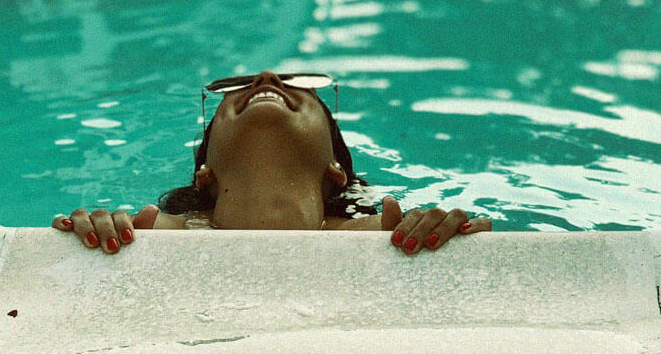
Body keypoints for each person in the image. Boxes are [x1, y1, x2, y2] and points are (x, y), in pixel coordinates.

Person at [52, 70, 492, 254]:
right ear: (204, 172)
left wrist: (453, 235)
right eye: (238, 84)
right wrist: (93, 231)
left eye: (300, 83)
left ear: (335, 169)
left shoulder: (391, 235)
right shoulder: (146, 231)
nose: (267, 78)